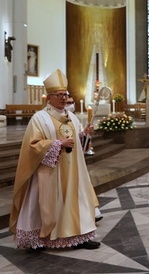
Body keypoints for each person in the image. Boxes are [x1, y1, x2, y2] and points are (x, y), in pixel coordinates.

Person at [9, 69, 101, 250]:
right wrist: (57, 144)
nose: (63, 98)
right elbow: (33, 146)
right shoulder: (39, 118)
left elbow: (78, 146)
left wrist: (84, 136)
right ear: (48, 97)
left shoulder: (72, 117)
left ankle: (80, 236)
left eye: (65, 94)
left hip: (73, 171)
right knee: (45, 204)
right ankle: (39, 239)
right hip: (49, 173)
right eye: (59, 95)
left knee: (77, 202)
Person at [65, 94, 103, 223]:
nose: (70, 105)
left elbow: (82, 143)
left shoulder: (74, 119)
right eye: (67, 102)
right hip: (62, 162)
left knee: (82, 187)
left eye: (71, 102)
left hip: (76, 161)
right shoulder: (50, 118)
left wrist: (85, 134)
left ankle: (91, 212)